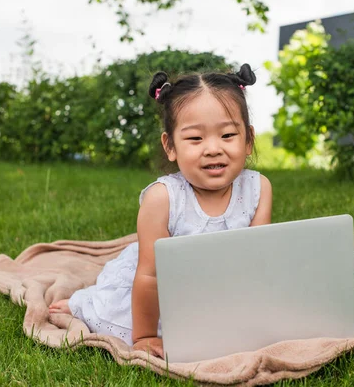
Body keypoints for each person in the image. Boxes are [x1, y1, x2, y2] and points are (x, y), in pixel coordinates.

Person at [48, 63, 273, 358]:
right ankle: (84, 303)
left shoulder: (258, 188)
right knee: (109, 311)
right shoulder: (163, 198)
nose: (213, 148)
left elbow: (259, 261)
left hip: (221, 288)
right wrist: (144, 337)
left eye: (227, 135)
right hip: (163, 291)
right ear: (170, 146)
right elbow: (150, 277)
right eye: (195, 138)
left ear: (248, 141)